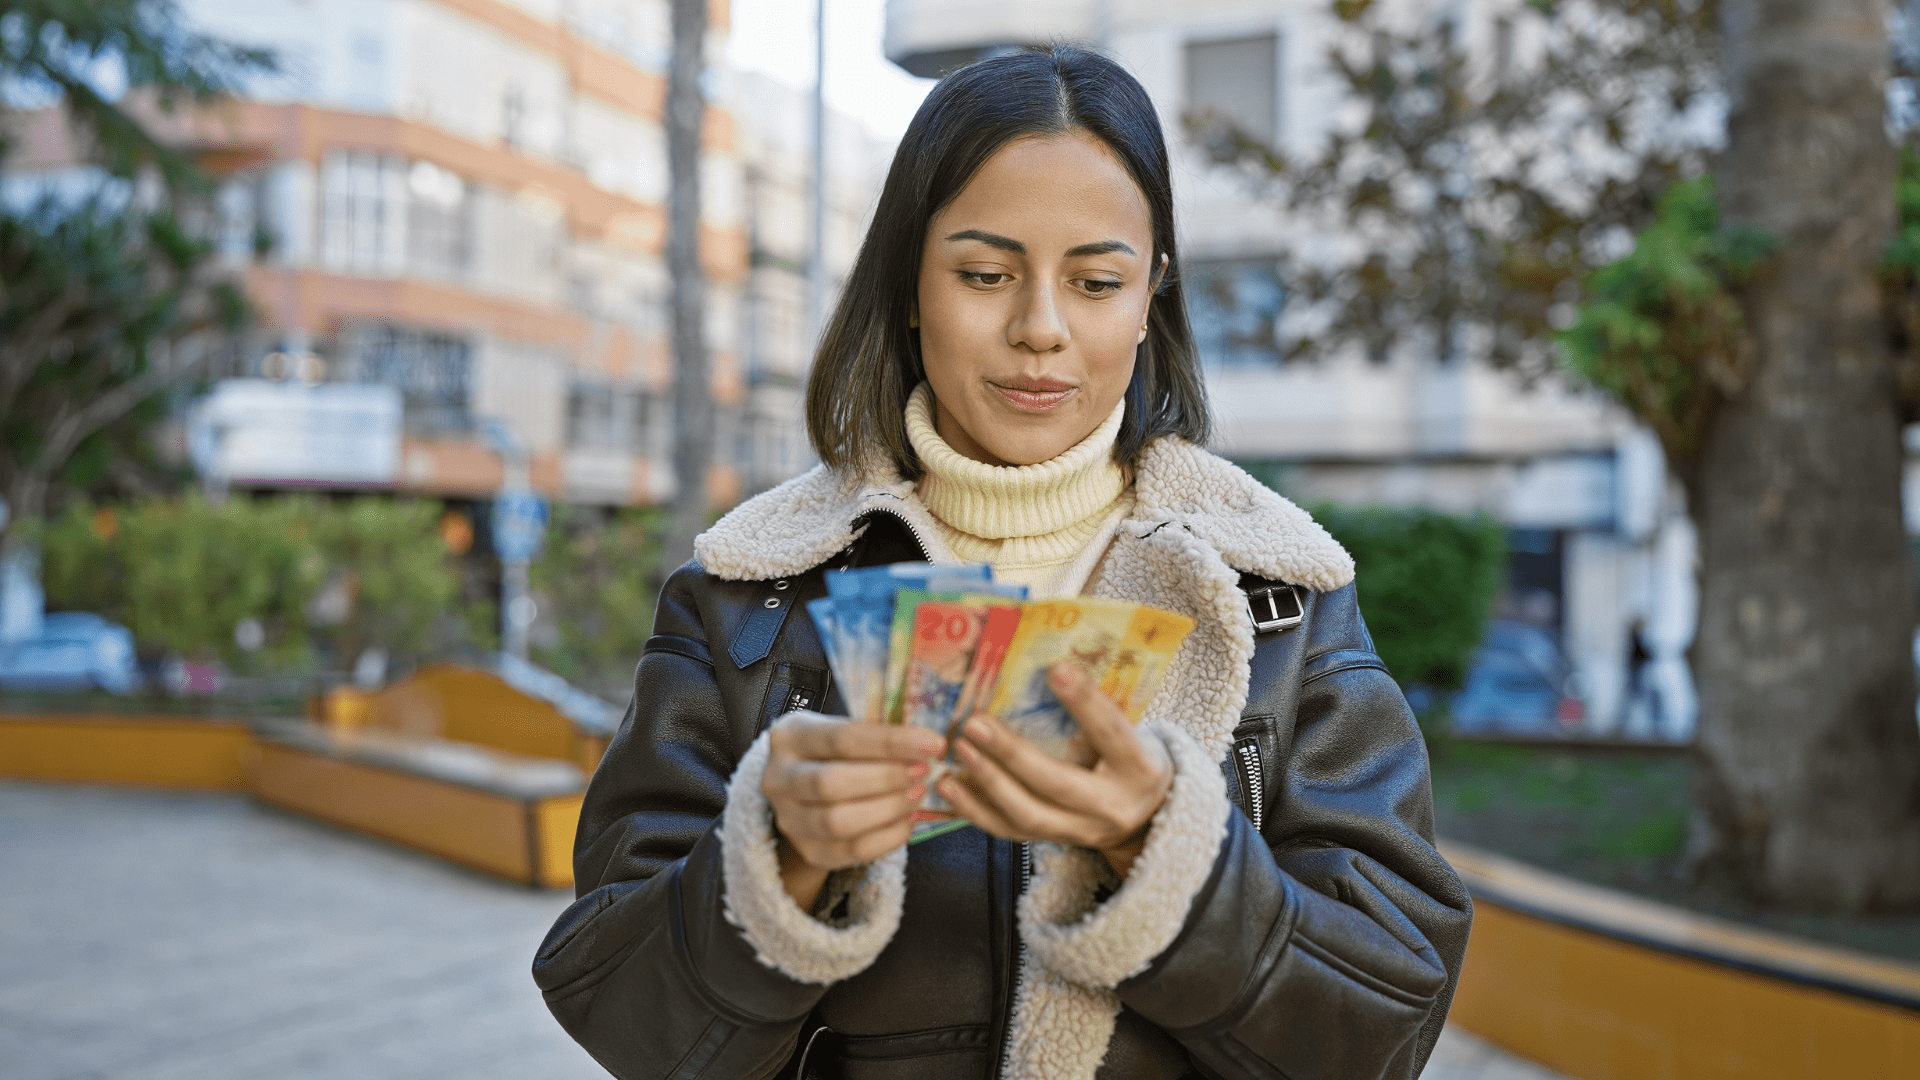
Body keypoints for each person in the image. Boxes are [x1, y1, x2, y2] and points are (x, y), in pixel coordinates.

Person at [532, 45, 1470, 1080]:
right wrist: (773, 862)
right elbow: (620, 1013)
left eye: (1098, 281)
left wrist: (1170, 859)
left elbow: (1387, 1028)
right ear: (907, 285)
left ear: (1153, 292)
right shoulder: (754, 592)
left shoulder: (1280, 598)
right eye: (984, 274)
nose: (1040, 330)